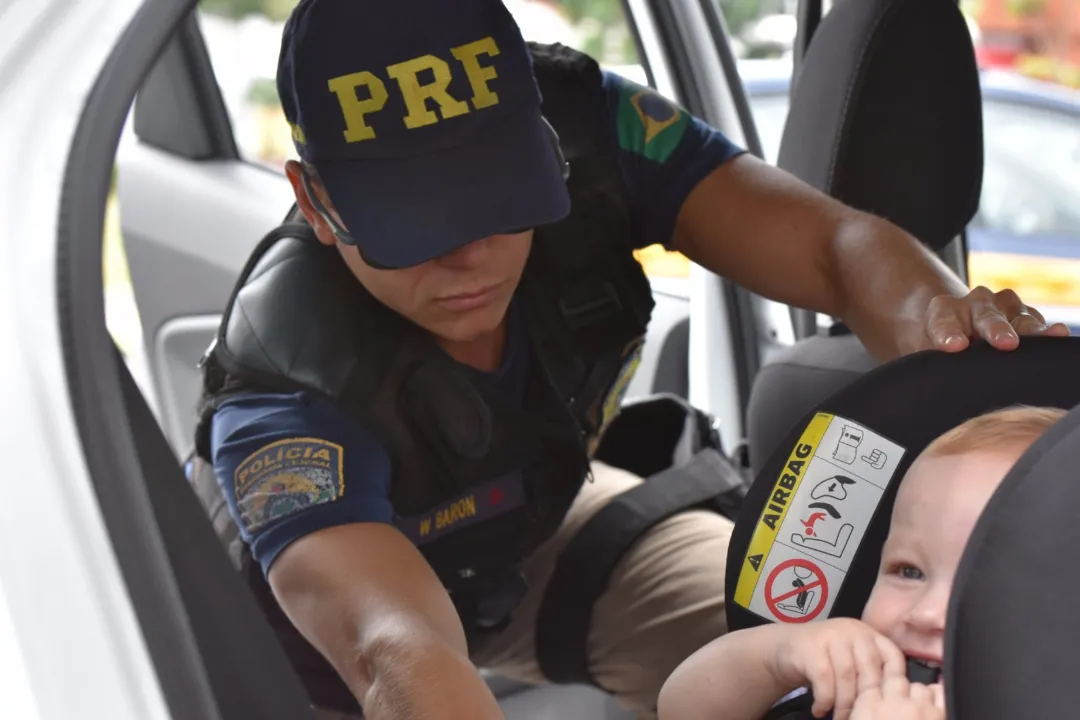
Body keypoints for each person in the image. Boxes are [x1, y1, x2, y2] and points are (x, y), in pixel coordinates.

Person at [187, 0, 1070, 717]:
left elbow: (834, 248)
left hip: (538, 523)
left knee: (786, 635)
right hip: (327, 630)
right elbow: (393, 648)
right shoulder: (279, 394)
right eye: (419, 223)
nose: (470, 254)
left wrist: (958, 350)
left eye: (498, 199)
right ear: (316, 198)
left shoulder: (591, 130)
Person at [656, 405, 1067, 720]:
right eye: (908, 571)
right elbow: (681, 710)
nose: (926, 613)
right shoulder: (855, 678)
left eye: (983, 589)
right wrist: (775, 658)